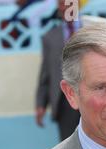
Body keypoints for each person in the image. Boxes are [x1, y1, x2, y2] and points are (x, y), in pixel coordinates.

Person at [35, 0, 82, 141]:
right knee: (70, 143)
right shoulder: (50, 37)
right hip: (64, 101)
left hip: (91, 93)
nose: (65, 7)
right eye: (61, 3)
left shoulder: (93, 30)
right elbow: (46, 73)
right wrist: (40, 104)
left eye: (69, 3)